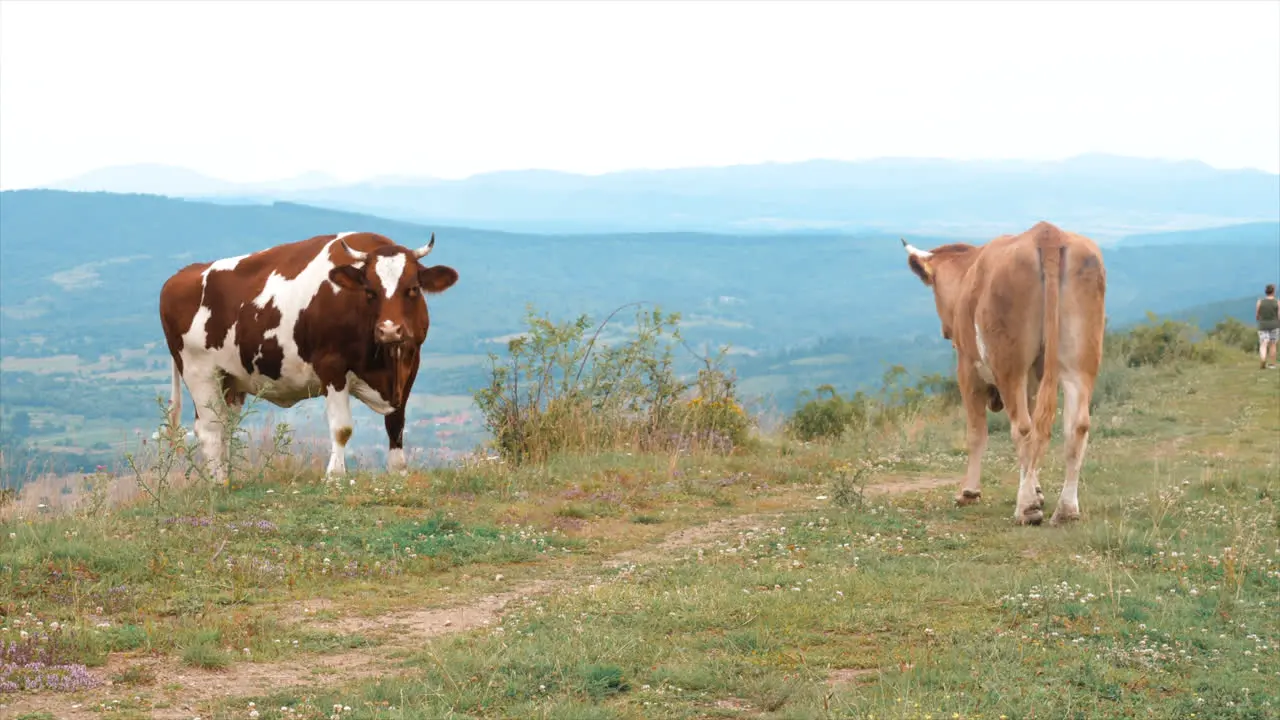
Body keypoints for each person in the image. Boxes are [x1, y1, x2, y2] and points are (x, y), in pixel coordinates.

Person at [1257, 283, 1279, 369]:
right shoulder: (1277, 302)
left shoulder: (1260, 302)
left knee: (1263, 343)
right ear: (1273, 292)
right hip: (1274, 325)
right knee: (1273, 344)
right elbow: (1279, 315)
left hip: (1263, 325)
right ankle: (1272, 364)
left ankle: (1263, 358)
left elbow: (1257, 315)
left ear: (1266, 292)